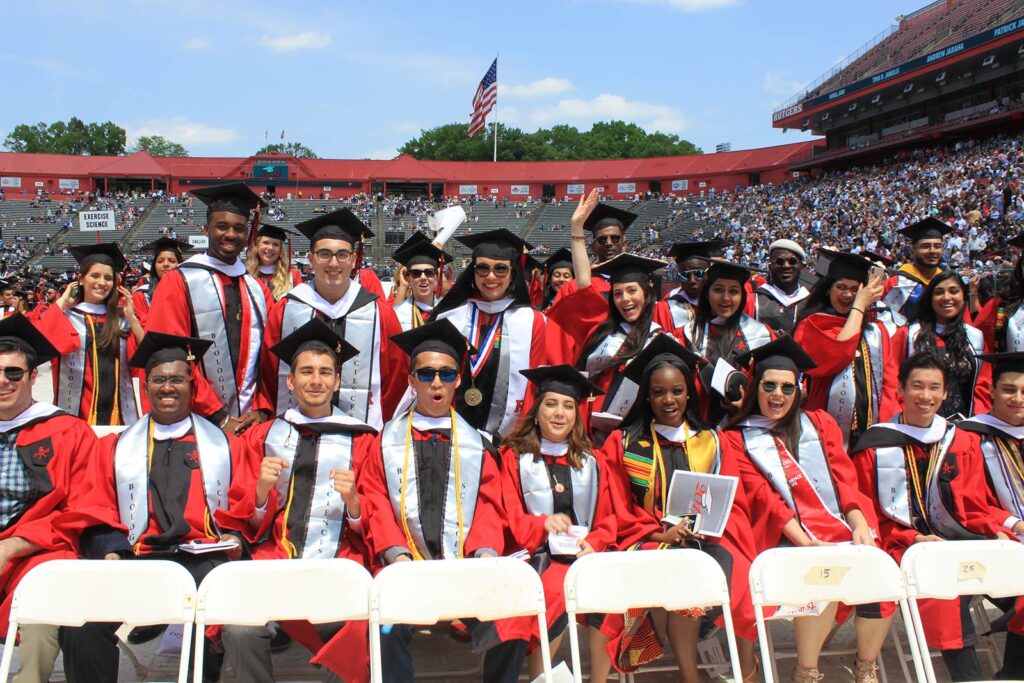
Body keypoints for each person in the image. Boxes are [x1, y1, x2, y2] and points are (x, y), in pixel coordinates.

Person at [61, 331, 246, 683]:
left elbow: (243, 505)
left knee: (208, 613)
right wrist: (111, 550)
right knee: (81, 622)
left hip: (202, 559)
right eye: (159, 379)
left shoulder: (224, 446)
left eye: (177, 379)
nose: (168, 388)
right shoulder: (115, 449)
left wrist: (236, 538)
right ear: (145, 387)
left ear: (192, 387)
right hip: (136, 558)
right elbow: (92, 506)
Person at [360, 319, 527, 682]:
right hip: (404, 569)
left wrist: (483, 552)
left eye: (447, 374)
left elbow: (488, 505)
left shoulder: (477, 445)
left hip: (466, 568)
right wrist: (396, 554)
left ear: (457, 381)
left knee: (513, 616)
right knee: (384, 626)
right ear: (411, 380)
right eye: (426, 374)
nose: (436, 383)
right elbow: (374, 501)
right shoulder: (384, 442)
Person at [722, 336, 894, 683]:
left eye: (787, 387)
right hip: (778, 537)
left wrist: (859, 522)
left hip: (836, 528)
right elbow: (763, 499)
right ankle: (807, 670)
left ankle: (867, 666)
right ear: (756, 387)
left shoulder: (819, 424)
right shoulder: (736, 438)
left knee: (881, 572)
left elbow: (844, 479)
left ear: (798, 390)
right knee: (821, 574)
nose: (778, 395)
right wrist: (806, 541)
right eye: (769, 385)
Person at [218, 319, 377, 683]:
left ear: (337, 381)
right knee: (239, 629)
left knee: (361, 627)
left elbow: (375, 522)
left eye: (325, 373)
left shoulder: (364, 441)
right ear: (291, 381)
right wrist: (260, 493)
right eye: (306, 372)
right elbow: (244, 525)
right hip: (274, 563)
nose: (315, 381)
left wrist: (353, 501)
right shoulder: (261, 437)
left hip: (339, 565)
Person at [601, 334, 759, 682]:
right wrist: (662, 533)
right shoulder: (624, 443)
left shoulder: (713, 441)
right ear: (647, 396)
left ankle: (712, 672)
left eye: (676, 391)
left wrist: (706, 527)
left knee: (714, 566)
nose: (668, 400)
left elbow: (734, 503)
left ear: (689, 393)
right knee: (674, 566)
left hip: (704, 539)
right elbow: (616, 508)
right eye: (658, 392)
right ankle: (688, 673)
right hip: (646, 537)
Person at [852, 352, 1009, 681]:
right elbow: (870, 517)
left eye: (934, 388)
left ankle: (1013, 671)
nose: (926, 396)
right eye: (917, 387)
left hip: (963, 543)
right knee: (947, 589)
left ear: (944, 393)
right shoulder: (874, 446)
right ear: (900, 390)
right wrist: (914, 538)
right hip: (903, 547)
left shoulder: (961, 440)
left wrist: (996, 531)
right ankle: (969, 679)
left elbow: (976, 504)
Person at [499, 365, 617, 681]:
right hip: (536, 556)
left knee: (609, 586)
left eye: (568, 406)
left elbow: (609, 519)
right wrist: (542, 524)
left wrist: (596, 542)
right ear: (537, 410)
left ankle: (599, 679)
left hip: (583, 555)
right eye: (551, 404)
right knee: (556, 587)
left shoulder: (593, 460)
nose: (560, 414)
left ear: (577, 415)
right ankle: (543, 678)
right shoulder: (512, 457)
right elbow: (508, 517)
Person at [0, 314, 99, 683]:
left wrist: (12, 547)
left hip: (39, 548)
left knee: (40, 607)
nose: (3, 382)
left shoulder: (67, 431)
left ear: (32, 378)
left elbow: (81, 509)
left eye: (13, 373)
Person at [259, 208, 406, 428]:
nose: (334, 264)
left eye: (342, 254)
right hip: (294, 432)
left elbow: (397, 379)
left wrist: (376, 419)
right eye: (324, 254)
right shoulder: (285, 310)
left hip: (361, 436)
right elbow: (269, 373)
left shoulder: (380, 315)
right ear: (310, 259)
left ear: (354, 259)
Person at [147, 182, 272, 434]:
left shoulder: (258, 288)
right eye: (222, 226)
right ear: (206, 229)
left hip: (251, 425)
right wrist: (219, 415)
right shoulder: (179, 281)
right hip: (194, 420)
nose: (231, 235)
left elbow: (268, 359)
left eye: (239, 228)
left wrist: (262, 409)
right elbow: (170, 354)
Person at [428, 228, 548, 441]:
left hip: (508, 440)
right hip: (450, 433)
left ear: (513, 274)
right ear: (473, 272)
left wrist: (521, 437)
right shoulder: (449, 318)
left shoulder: (533, 322)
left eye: (501, 269)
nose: (491, 276)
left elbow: (533, 384)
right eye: (482, 268)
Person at [954, 351, 1024, 680]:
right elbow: (969, 502)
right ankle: (1012, 673)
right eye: (1009, 389)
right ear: (992, 392)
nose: (1017, 399)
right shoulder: (969, 437)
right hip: (996, 544)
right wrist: (1015, 523)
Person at [548, 251, 674, 434]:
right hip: (586, 430)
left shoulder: (660, 341)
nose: (625, 299)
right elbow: (583, 289)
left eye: (632, 290)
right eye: (617, 293)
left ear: (647, 294)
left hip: (634, 434)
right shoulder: (602, 332)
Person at [794, 250, 898, 450]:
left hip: (870, 436)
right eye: (840, 287)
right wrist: (860, 305)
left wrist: (885, 430)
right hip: (822, 432)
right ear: (827, 289)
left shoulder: (877, 331)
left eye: (854, 290)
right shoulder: (812, 325)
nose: (848, 295)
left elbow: (890, 385)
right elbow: (839, 353)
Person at [36, 244, 143, 426]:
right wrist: (62, 302)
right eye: (95, 276)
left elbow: (146, 355)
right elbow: (38, 342)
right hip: (77, 413)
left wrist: (132, 317)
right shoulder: (68, 318)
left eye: (108, 278)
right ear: (81, 279)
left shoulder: (122, 320)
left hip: (119, 416)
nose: (102, 282)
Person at [682, 259, 775, 423]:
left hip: (744, 426)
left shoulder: (761, 334)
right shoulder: (687, 334)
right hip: (697, 427)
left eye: (733, 291)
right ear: (706, 293)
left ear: (742, 296)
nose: (725, 298)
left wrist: (746, 406)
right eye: (718, 290)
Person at [892, 270, 990, 418]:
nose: (946, 297)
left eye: (954, 291)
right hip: (915, 425)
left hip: (963, 427)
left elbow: (982, 386)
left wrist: (977, 422)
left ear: (964, 297)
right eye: (939, 292)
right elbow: (893, 381)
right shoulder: (909, 334)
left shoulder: (975, 337)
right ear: (930, 298)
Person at [549, 190, 637, 306]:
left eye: (615, 238)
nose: (609, 243)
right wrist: (577, 226)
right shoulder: (574, 286)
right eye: (602, 239)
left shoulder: (639, 280)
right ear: (592, 247)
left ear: (624, 244)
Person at [881, 217, 951, 326]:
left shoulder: (948, 282)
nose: (932, 251)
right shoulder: (896, 283)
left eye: (937, 246)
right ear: (913, 251)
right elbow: (885, 322)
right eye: (925, 246)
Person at [655, 239, 723, 333]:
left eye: (698, 273)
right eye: (684, 275)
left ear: (709, 272)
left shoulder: (723, 303)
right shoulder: (664, 309)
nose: (692, 280)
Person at [390, 233, 450, 331]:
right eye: (416, 273)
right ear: (408, 279)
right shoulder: (398, 314)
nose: (423, 277)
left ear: (436, 276)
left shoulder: (449, 311)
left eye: (429, 272)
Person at [752, 239, 810, 335]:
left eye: (792, 261)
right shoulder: (752, 301)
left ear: (802, 266)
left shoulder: (812, 303)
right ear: (770, 267)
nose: (786, 266)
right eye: (779, 261)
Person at [132, 237, 191, 328]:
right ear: (154, 266)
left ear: (180, 264)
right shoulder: (142, 296)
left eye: (171, 261)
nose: (165, 264)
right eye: (160, 261)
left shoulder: (190, 293)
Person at [245, 223, 302, 300]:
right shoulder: (246, 275)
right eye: (266, 243)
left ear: (280, 250)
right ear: (257, 245)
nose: (270, 248)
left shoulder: (292, 276)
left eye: (275, 244)